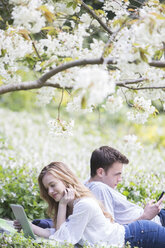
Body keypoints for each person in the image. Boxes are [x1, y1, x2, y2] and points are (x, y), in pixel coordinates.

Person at [14, 161, 165, 247]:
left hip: (139, 235)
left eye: (53, 185)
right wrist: (29, 226)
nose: (50, 191)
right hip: (133, 235)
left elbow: (63, 241)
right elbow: (60, 234)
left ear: (66, 180)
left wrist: (61, 206)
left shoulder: (83, 205)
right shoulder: (71, 206)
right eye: (47, 189)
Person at [85, 146, 165, 226]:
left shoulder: (88, 183)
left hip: (156, 216)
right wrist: (146, 216)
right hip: (154, 223)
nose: (120, 179)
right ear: (100, 172)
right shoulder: (98, 189)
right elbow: (111, 231)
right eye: (117, 175)